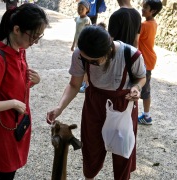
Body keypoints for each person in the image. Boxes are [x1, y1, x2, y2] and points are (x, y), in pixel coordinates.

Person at [47, 24, 146, 180]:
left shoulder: (131, 55)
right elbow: (74, 84)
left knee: (123, 152)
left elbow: (141, 77)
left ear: (108, 51)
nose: (89, 64)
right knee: (91, 148)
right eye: (87, 61)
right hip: (94, 103)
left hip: (123, 105)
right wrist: (59, 108)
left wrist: (136, 87)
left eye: (93, 62)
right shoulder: (81, 54)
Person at [0, 3, 48, 179]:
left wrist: (32, 82)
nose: (35, 42)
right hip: (0, 134)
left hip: (14, 128)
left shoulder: (19, 51)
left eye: (39, 36)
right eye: (33, 36)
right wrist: (13, 103)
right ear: (16, 29)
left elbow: (10, 88)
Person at [138, 0, 163, 125]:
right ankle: (146, 114)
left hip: (145, 60)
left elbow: (135, 39)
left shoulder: (144, 25)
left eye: (145, 7)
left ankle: (147, 117)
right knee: (145, 88)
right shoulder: (153, 23)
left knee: (144, 89)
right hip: (149, 59)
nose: (142, 9)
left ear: (152, 11)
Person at [72, 0, 91, 93]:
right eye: (78, 8)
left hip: (84, 45)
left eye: (82, 8)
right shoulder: (77, 19)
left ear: (87, 10)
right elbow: (76, 33)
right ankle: (80, 82)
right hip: (78, 45)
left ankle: (85, 83)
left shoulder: (87, 20)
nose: (79, 10)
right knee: (79, 65)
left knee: (85, 65)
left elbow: (88, 34)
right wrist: (73, 44)